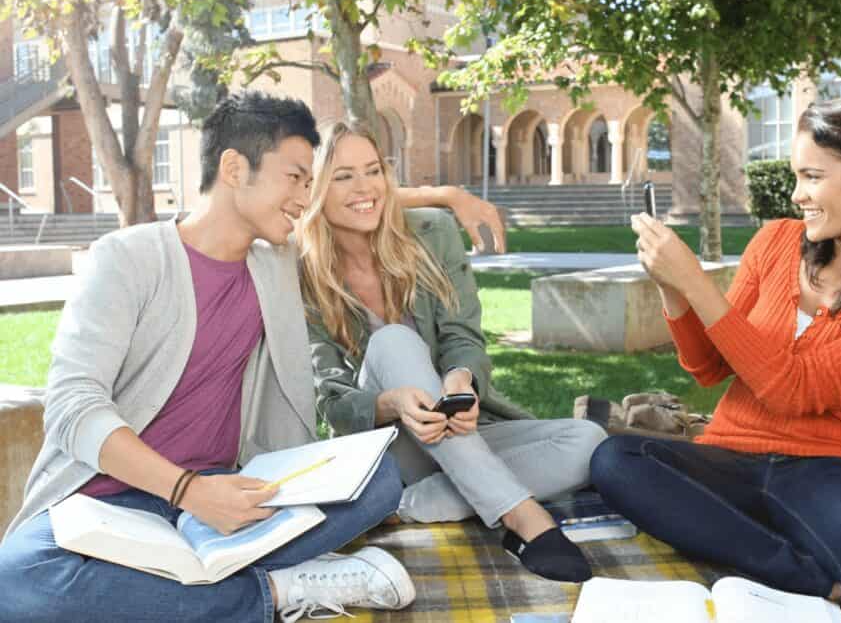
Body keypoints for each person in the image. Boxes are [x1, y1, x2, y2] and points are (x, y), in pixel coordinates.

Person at [0, 90, 511, 623]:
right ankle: (277, 591)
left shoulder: (278, 262)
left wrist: (449, 195)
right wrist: (189, 490)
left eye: (311, 183)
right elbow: (72, 407)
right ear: (234, 168)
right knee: (17, 582)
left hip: (242, 495)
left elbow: (354, 197)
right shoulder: (126, 259)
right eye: (295, 178)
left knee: (379, 480)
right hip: (111, 502)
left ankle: (170, 592)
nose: (305, 197)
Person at [590, 97, 841, 623]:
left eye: (813, 176)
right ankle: (803, 577)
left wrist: (696, 282)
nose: (798, 194)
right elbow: (709, 367)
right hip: (727, 460)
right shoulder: (775, 242)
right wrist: (672, 288)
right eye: (797, 176)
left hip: (827, 473)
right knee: (617, 460)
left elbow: (793, 388)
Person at [298, 121, 607, 583]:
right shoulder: (302, 271)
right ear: (315, 188)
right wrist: (391, 403)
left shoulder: (432, 233)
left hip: (459, 436)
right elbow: (331, 400)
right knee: (393, 340)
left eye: (373, 170)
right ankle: (522, 517)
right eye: (343, 176)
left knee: (588, 442)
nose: (365, 188)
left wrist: (461, 379)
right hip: (387, 447)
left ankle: (405, 505)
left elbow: (464, 336)